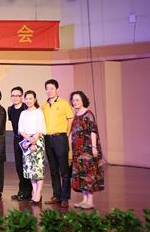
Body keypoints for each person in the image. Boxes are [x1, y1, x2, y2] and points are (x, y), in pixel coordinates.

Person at [42, 79, 74, 208]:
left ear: (57, 89)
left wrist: (67, 133)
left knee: (64, 170)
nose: (49, 91)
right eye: (47, 88)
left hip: (60, 138)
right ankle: (56, 195)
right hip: (48, 138)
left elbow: (70, 118)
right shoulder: (44, 105)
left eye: (52, 88)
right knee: (53, 169)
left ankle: (65, 197)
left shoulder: (64, 103)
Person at [70, 91, 104, 209]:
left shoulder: (88, 114)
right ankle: (84, 200)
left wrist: (94, 147)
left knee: (89, 174)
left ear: (83, 100)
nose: (75, 102)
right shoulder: (76, 114)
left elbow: (93, 131)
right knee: (81, 175)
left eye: (77, 100)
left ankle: (90, 201)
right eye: (73, 100)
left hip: (87, 150)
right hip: (78, 151)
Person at [18, 90, 47, 205]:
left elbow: (40, 128)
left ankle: (38, 194)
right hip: (26, 141)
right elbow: (21, 129)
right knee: (30, 169)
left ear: (35, 99)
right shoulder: (23, 113)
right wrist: (29, 140)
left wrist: (34, 142)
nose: (28, 101)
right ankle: (35, 193)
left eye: (31, 98)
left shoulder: (39, 112)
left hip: (37, 140)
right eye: (26, 98)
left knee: (38, 169)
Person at [7, 86, 32, 201]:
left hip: (27, 140)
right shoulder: (10, 109)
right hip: (17, 139)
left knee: (27, 165)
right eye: (13, 95)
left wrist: (30, 140)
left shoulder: (26, 108)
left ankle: (28, 192)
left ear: (22, 97)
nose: (15, 98)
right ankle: (21, 190)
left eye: (18, 95)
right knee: (18, 166)